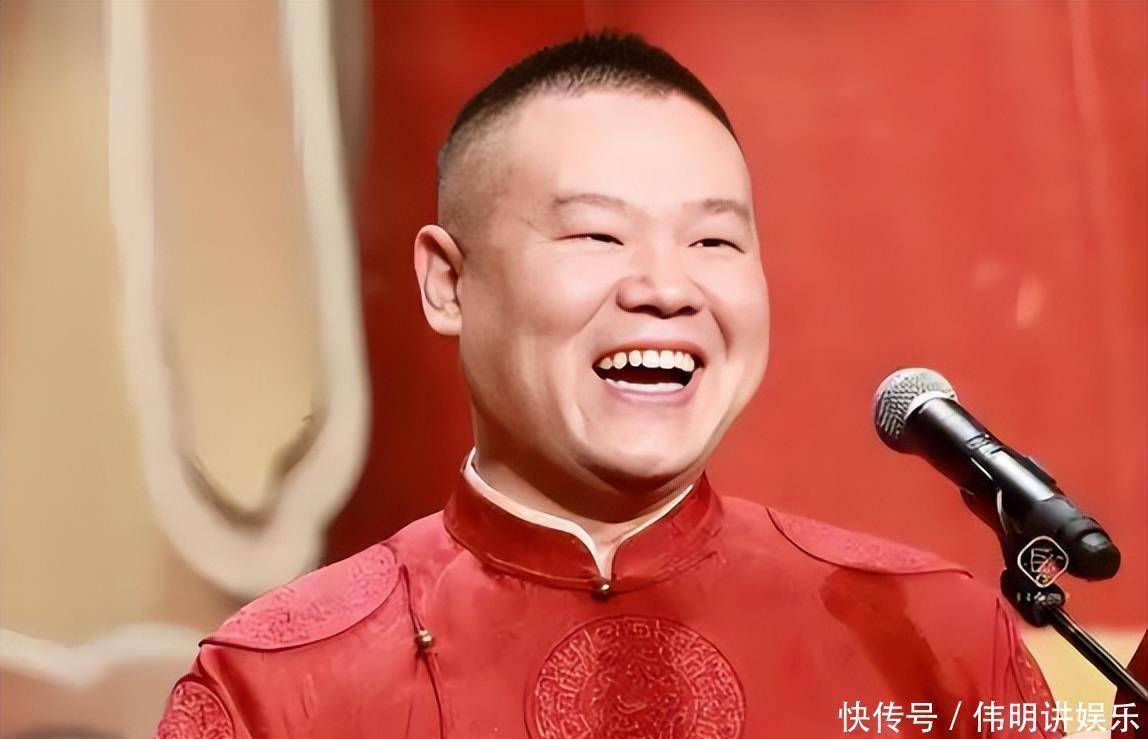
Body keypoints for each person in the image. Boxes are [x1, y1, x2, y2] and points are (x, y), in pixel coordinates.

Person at [155, 33, 1060, 738]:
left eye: (713, 241)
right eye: (597, 235)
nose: (666, 287)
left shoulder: (926, 633)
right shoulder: (275, 684)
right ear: (448, 284)